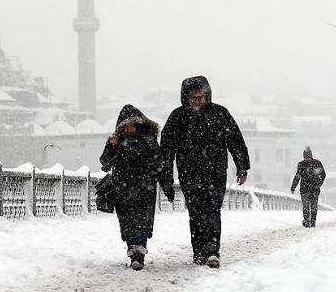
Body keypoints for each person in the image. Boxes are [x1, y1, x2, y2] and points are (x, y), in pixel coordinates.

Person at [160, 76, 250, 268]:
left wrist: (242, 166)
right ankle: (199, 251)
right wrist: (165, 176)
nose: (199, 101)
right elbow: (166, 150)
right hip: (189, 173)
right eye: (194, 98)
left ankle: (211, 251)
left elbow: (235, 140)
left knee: (212, 210)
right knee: (196, 212)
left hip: (215, 172)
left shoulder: (220, 114)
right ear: (186, 98)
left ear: (207, 96)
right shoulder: (177, 117)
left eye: (202, 97)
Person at [100, 104, 176, 271]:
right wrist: (111, 146)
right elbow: (105, 164)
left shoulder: (149, 142)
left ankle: (138, 254)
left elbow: (160, 166)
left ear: (139, 124)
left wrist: (167, 187)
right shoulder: (117, 142)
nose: (129, 129)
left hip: (144, 190)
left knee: (141, 222)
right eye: (126, 126)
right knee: (127, 224)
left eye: (132, 125)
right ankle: (133, 251)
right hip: (123, 190)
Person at [290, 147, 326, 228]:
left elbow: (322, 175)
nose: (307, 159)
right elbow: (297, 176)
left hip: (314, 189)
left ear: (311, 156)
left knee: (314, 206)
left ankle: (313, 221)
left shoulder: (317, 164)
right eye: (305, 157)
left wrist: (318, 184)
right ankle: (306, 220)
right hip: (304, 189)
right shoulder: (301, 165)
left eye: (308, 157)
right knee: (305, 206)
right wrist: (293, 186)